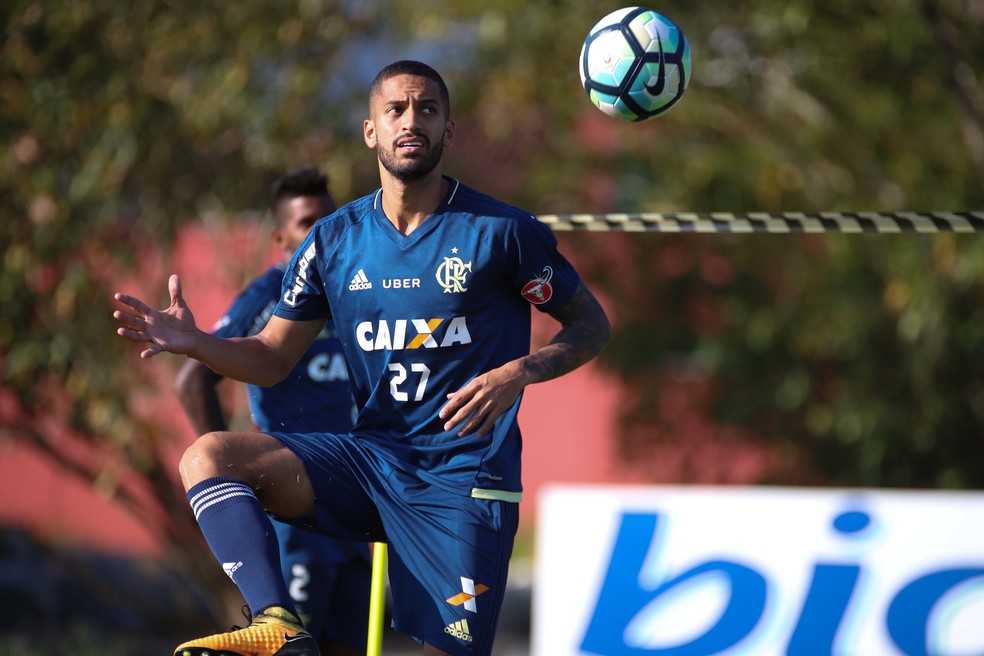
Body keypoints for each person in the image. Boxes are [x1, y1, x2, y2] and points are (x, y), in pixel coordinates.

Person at [114, 59, 611, 656]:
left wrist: (518, 371)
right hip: (373, 465)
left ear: (448, 131)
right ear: (370, 130)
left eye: (428, 110)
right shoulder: (331, 241)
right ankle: (278, 622)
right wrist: (199, 344)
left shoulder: (502, 233)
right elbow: (272, 357)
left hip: (466, 480)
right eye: (396, 109)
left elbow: (590, 324)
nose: (412, 121)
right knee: (209, 456)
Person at [171, 167, 371, 656]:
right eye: (307, 223)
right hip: (297, 504)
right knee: (293, 646)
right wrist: (234, 481)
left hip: (357, 497)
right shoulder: (270, 297)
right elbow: (194, 378)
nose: (322, 231)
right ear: (281, 237)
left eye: (330, 218)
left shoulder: (361, 290)